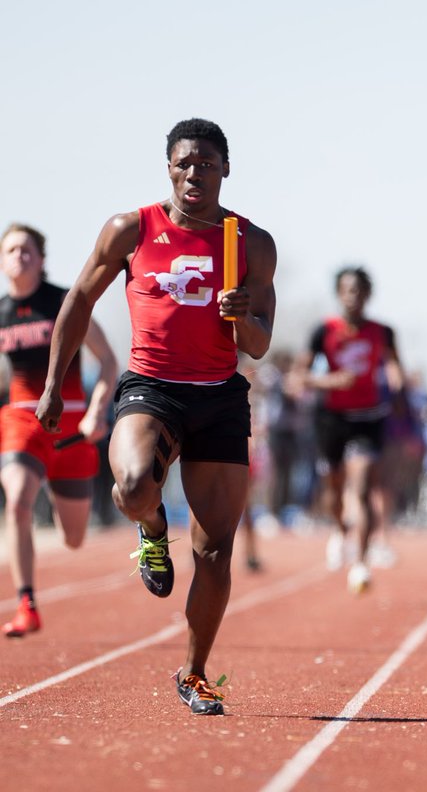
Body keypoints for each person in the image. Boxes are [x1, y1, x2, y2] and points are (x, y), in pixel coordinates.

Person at [36, 118, 277, 715]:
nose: (196, 174)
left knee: (217, 549)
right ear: (169, 166)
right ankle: (150, 530)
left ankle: (193, 673)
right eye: (185, 163)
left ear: (226, 169)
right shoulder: (131, 229)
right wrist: (51, 386)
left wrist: (241, 316)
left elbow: (260, 343)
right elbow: (78, 300)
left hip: (219, 394)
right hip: (152, 386)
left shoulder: (249, 242)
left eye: (208, 164)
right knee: (131, 486)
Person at [0, 224, 117, 637]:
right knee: (16, 502)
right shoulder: (1, 313)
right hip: (22, 422)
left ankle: (49, 480)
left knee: (73, 538)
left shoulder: (66, 303)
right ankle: (27, 603)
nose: (20, 256)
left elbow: (107, 363)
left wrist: (97, 412)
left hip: (72, 426)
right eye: (11, 250)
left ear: (42, 258)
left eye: (27, 250)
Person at [293, 267, 404, 593]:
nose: (353, 296)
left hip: (369, 417)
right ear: (339, 294)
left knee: (362, 485)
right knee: (334, 487)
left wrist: (396, 385)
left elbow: (395, 364)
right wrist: (331, 380)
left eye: (359, 290)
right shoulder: (323, 331)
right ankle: (340, 530)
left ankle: (361, 561)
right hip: (331, 418)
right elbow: (299, 377)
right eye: (347, 290)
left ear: (368, 294)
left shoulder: (382, 332)